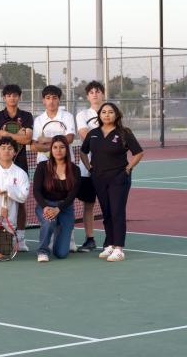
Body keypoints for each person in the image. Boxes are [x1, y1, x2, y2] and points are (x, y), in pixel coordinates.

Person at [80, 102, 144, 262]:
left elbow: (138, 153)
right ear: (99, 115)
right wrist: (90, 168)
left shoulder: (124, 133)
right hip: (99, 178)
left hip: (118, 178)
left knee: (117, 212)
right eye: (103, 112)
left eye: (110, 112)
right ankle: (109, 244)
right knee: (106, 212)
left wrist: (128, 169)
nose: (107, 115)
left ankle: (119, 248)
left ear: (116, 115)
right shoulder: (93, 133)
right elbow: (83, 152)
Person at [31, 85, 77, 252]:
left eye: (55, 98)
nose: (51, 101)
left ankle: (69, 239)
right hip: (45, 167)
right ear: (44, 100)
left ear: (59, 100)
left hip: (65, 165)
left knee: (67, 200)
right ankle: (47, 243)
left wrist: (46, 141)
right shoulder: (38, 120)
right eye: (48, 98)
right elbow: (35, 146)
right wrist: (57, 143)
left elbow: (69, 139)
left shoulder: (67, 116)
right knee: (48, 197)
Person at [0, 84, 34, 251]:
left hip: (20, 164)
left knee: (21, 201)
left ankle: (20, 238)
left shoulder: (27, 116)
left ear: (19, 97)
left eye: (15, 95)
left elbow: (27, 140)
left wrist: (4, 134)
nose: (12, 98)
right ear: (4, 97)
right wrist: (18, 136)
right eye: (8, 95)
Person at [33, 136, 81, 262]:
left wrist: (58, 209)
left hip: (65, 208)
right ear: (51, 150)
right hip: (46, 205)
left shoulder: (75, 170)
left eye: (62, 147)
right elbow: (36, 191)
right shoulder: (42, 167)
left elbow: (72, 196)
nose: (58, 150)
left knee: (61, 253)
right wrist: (45, 207)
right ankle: (42, 251)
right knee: (49, 222)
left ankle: (58, 230)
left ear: (67, 149)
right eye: (55, 147)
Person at [75, 81, 105, 252]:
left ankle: (111, 240)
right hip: (87, 167)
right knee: (88, 204)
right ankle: (90, 239)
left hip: (108, 168)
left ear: (102, 94)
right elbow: (85, 136)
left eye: (98, 91)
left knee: (109, 205)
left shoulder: (110, 111)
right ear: (87, 96)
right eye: (91, 92)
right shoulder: (82, 114)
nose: (95, 94)